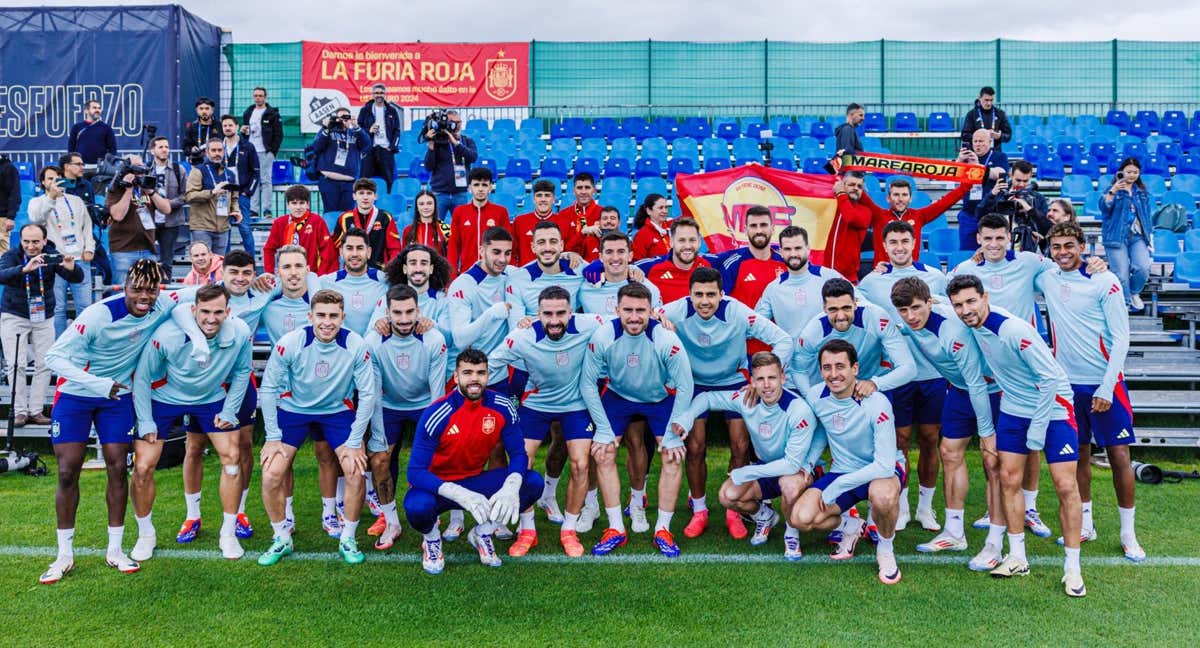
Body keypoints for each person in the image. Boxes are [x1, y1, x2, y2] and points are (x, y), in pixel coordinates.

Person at [946, 274, 1086, 597]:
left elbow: (1050, 379)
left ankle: (1073, 568)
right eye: (958, 305)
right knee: (1008, 480)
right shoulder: (971, 326)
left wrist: (1036, 434)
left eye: (971, 301)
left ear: (985, 298)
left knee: (1066, 485)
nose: (965, 310)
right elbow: (931, 302)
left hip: (1053, 408)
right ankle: (1017, 556)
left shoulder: (1012, 330)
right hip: (1013, 407)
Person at [41, 259, 177, 584]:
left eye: (150, 289)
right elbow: (53, 357)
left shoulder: (162, 305)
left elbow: (197, 296)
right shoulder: (99, 315)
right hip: (77, 392)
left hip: (117, 398)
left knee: (118, 467)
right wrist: (98, 384)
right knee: (67, 469)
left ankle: (115, 550)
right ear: (125, 287)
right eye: (137, 289)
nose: (144, 296)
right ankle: (64, 555)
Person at [1035, 222, 1144, 561]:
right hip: (1067, 385)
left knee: (1119, 456)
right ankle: (1085, 524)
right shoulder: (1047, 277)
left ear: (1083, 246)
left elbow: (1121, 337)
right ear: (1050, 250)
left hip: (1105, 382)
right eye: (1056, 247)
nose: (1063, 252)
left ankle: (1129, 534)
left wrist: (1107, 387)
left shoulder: (1104, 280)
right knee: (1078, 455)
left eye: (1070, 245)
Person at [659, 267, 793, 541]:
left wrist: (762, 379)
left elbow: (783, 340)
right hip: (694, 383)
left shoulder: (738, 312)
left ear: (722, 294)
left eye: (711, 294)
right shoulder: (673, 311)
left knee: (740, 445)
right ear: (689, 295)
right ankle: (699, 510)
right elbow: (646, 317)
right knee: (694, 447)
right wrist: (661, 326)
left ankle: (733, 510)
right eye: (699, 295)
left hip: (733, 380)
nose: (705, 301)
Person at [887, 277, 1005, 570]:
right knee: (950, 453)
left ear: (928, 303)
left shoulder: (952, 331)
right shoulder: (911, 318)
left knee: (994, 463)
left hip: (992, 391)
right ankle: (954, 532)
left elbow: (977, 383)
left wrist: (986, 432)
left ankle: (997, 542)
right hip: (960, 390)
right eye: (904, 310)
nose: (911, 316)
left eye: (916, 308)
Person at [130, 284, 253, 561]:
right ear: (193, 310)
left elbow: (243, 370)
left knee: (232, 459)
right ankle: (145, 535)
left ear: (228, 311)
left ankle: (228, 533)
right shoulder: (167, 335)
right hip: (165, 396)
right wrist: (146, 419)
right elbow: (142, 377)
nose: (211, 318)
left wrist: (231, 410)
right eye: (205, 311)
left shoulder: (241, 332)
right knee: (142, 467)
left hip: (210, 397)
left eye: (218, 312)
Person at [257, 289, 377, 566]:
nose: (327, 322)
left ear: (343, 317)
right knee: (270, 474)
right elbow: (268, 388)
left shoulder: (355, 344)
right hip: (294, 410)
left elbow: (368, 394)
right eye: (321, 315)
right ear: (310, 316)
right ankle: (281, 538)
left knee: (355, 470)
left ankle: (348, 537)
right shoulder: (291, 342)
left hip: (337, 411)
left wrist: (356, 438)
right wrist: (273, 437)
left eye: (334, 316)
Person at [488, 287, 607, 558]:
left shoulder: (590, 324)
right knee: (522, 462)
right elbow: (492, 363)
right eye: (548, 314)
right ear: (537, 314)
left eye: (561, 313)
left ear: (572, 312)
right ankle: (527, 529)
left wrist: (661, 318)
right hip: (535, 404)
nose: (554, 320)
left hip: (575, 405)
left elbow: (624, 321)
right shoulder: (522, 336)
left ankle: (569, 528)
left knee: (580, 463)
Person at [403, 348, 544, 574]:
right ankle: (431, 540)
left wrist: (511, 486)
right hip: (439, 486)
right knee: (417, 507)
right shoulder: (437, 412)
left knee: (532, 482)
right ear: (456, 377)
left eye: (480, 373)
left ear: (488, 376)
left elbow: (518, 453)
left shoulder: (502, 406)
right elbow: (416, 472)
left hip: (475, 482)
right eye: (467, 373)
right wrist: (458, 493)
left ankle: (483, 532)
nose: (474, 379)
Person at [581, 282, 694, 558]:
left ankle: (663, 530)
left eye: (641, 310)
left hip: (659, 398)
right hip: (619, 396)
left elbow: (685, 385)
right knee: (603, 452)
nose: (634, 317)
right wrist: (604, 430)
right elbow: (587, 383)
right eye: (628, 310)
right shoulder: (604, 335)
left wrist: (671, 434)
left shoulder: (666, 339)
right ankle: (616, 528)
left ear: (652, 311)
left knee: (672, 454)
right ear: (617, 310)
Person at [672, 352, 817, 559]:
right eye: (760, 379)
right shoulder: (746, 399)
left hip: (796, 471)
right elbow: (707, 398)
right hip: (766, 467)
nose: (766, 385)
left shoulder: (798, 409)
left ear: (783, 378)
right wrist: (687, 418)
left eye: (772, 378)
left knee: (789, 484)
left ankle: (791, 533)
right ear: (752, 381)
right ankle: (765, 516)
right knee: (727, 495)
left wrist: (747, 471)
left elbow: (791, 465)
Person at [169, 249, 267, 543]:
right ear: (221, 272)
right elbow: (169, 305)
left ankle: (239, 510)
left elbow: (308, 280)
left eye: (247, 272)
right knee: (194, 447)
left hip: (241, 379)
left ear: (253, 274)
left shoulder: (263, 295)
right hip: (204, 383)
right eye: (234, 272)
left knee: (244, 447)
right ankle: (192, 515)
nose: (240, 278)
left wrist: (268, 279)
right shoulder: (200, 295)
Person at [858, 220, 950, 532]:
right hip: (894, 375)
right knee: (898, 441)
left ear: (914, 243)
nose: (899, 247)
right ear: (884, 246)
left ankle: (926, 507)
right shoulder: (872, 281)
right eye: (893, 242)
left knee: (929, 439)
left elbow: (952, 306)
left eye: (904, 241)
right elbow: (853, 303)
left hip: (932, 374)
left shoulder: (934, 277)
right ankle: (903, 504)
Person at [789, 339, 905, 585]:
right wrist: (808, 465)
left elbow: (884, 465)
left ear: (855, 369)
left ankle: (885, 550)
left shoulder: (877, 402)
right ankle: (851, 523)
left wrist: (838, 486)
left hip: (881, 472)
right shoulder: (816, 395)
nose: (833, 374)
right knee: (801, 517)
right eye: (827, 367)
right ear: (820, 370)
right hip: (842, 470)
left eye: (840, 366)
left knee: (882, 495)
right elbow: (821, 429)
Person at [364, 284, 448, 550]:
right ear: (387, 312)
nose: (403, 319)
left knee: (434, 458)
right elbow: (374, 394)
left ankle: (432, 518)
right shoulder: (374, 341)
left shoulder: (434, 339)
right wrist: (377, 436)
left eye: (409, 312)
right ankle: (391, 521)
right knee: (379, 459)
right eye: (397, 312)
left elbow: (437, 395)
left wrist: (434, 436)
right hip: (389, 405)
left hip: (424, 404)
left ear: (418, 310)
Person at [0, 223, 84, 426]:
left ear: (44, 241)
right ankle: (19, 411)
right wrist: (24, 269)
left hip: (43, 315)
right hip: (15, 315)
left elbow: (77, 277)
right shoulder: (11, 256)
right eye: (26, 241)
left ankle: (36, 410)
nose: (30, 246)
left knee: (45, 363)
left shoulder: (51, 255)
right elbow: (2, 275)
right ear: (21, 241)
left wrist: (72, 269)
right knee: (15, 364)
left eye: (36, 242)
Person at [790, 278, 915, 395]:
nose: (841, 316)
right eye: (833, 309)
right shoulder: (812, 333)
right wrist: (811, 398)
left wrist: (876, 383)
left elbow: (909, 368)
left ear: (855, 304)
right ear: (824, 308)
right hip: (833, 390)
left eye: (846, 308)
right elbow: (798, 371)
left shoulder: (876, 318)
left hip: (873, 384)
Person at [28, 165, 95, 336]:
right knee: (58, 308)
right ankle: (58, 346)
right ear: (43, 182)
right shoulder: (37, 202)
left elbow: (87, 226)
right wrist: (51, 196)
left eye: (58, 177)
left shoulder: (75, 201)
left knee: (85, 307)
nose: (54, 181)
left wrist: (89, 248)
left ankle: (82, 344)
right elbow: (36, 219)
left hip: (78, 260)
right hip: (54, 262)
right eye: (50, 178)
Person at [754, 225, 844, 340]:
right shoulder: (773, 289)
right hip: (793, 357)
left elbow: (858, 304)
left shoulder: (830, 276)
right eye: (787, 249)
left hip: (830, 355)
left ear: (808, 249)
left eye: (798, 248)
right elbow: (755, 326)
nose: (793, 254)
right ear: (781, 252)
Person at [861, 177, 970, 266]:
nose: (900, 199)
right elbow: (860, 194)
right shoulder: (878, 215)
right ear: (888, 198)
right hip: (883, 273)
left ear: (910, 198)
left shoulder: (919, 216)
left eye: (904, 195)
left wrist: (967, 184)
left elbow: (945, 203)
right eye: (896, 195)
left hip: (910, 274)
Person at [504, 221, 584, 331]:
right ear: (533, 247)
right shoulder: (517, 279)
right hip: (534, 341)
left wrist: (598, 267)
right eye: (541, 242)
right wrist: (522, 323)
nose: (547, 248)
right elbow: (516, 327)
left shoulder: (578, 268)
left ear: (561, 245)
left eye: (553, 242)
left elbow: (609, 267)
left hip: (571, 340)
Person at [107, 154, 173, 283]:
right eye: (137, 167)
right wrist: (128, 190)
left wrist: (151, 192)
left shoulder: (147, 185)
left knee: (149, 289)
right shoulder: (116, 188)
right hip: (123, 250)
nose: (141, 170)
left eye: (142, 166)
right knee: (122, 292)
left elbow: (167, 209)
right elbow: (118, 215)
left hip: (148, 248)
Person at [1100, 157, 1153, 312]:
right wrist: (1114, 190)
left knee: (1142, 268)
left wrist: (1149, 235)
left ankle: (1134, 293)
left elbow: (1147, 215)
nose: (1132, 175)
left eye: (1135, 172)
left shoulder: (1142, 193)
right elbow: (1104, 208)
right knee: (1121, 274)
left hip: (1137, 236)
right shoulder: (1113, 189)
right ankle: (1125, 303)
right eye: (1129, 171)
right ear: (1121, 172)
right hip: (1116, 236)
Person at [319, 227, 389, 336]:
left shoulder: (386, 281)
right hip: (341, 350)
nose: (355, 254)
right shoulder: (325, 283)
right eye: (349, 248)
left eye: (360, 248)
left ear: (369, 252)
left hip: (374, 349)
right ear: (341, 252)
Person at [580, 231, 663, 317]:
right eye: (609, 252)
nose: (615, 258)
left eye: (621, 251)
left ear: (630, 256)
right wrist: (569, 254)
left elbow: (657, 322)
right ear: (600, 257)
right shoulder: (585, 288)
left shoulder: (649, 289)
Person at [975, 160, 1051, 252]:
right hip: (1000, 241)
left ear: (1031, 177)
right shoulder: (999, 193)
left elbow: (1045, 226)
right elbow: (979, 215)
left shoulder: (1038, 198)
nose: (1021, 184)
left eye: (1025, 181)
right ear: (1011, 175)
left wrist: (1030, 211)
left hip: (1029, 244)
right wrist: (992, 195)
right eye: (1018, 180)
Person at [184, 138, 242, 259]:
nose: (217, 153)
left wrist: (236, 210)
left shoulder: (230, 174)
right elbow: (189, 196)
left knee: (219, 264)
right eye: (213, 150)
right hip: (202, 226)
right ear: (207, 152)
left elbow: (235, 198)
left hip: (223, 227)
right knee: (203, 263)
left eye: (220, 150)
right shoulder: (198, 170)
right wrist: (211, 192)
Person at [446, 167, 511, 276]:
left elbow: (508, 246)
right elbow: (453, 246)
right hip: (467, 273)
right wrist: (451, 276)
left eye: (484, 185)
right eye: (476, 185)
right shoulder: (459, 212)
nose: (480, 189)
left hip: (494, 275)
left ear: (490, 187)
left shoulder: (501, 212)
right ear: (470, 188)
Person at [636, 218, 717, 303]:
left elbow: (727, 257)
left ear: (699, 242)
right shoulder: (655, 271)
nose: (687, 246)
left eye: (692, 240)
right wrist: (633, 269)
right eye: (681, 240)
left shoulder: (707, 267)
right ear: (671, 242)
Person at [58, 152, 110, 284]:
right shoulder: (56, 184)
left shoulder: (86, 185)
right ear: (67, 166)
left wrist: (101, 218)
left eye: (83, 164)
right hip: (63, 236)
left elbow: (91, 211)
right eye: (78, 164)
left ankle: (102, 300)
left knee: (106, 269)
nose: (82, 167)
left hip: (86, 234)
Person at [262, 185, 338, 275]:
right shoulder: (280, 223)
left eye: (302, 203)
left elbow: (327, 252)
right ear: (288, 205)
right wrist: (269, 273)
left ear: (308, 204)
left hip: (311, 274)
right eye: (294, 203)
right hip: (287, 275)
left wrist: (321, 276)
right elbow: (268, 249)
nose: (298, 207)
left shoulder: (317, 221)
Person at [332, 178, 402, 269]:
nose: (365, 197)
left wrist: (390, 270)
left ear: (375, 196)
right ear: (354, 196)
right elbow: (334, 248)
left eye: (369, 193)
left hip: (378, 271)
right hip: (352, 271)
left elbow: (394, 249)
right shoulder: (345, 218)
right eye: (361, 193)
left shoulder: (385, 217)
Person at [957, 129, 1009, 250]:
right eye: (975, 141)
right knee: (967, 252)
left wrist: (977, 166)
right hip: (969, 212)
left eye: (981, 141)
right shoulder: (965, 159)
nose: (978, 144)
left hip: (990, 213)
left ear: (990, 142)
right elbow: (953, 179)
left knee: (992, 250)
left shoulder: (999, 156)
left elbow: (999, 173)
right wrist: (959, 162)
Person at [312, 107, 371, 213]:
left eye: (346, 117)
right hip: (328, 181)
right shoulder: (328, 131)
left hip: (349, 182)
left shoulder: (355, 133)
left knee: (348, 215)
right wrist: (326, 127)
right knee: (331, 214)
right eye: (339, 118)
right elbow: (316, 147)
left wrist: (356, 126)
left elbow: (367, 144)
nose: (343, 120)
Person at [423, 109, 477, 224]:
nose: (456, 125)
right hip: (439, 193)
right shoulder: (438, 142)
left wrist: (456, 143)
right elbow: (428, 166)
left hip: (460, 193)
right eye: (453, 122)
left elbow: (472, 157)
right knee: (435, 229)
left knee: (463, 227)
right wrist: (431, 145)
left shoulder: (467, 141)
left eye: (459, 122)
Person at [144, 137, 189, 276]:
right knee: (147, 260)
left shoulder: (178, 169)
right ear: (152, 151)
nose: (165, 150)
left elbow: (186, 195)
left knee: (166, 261)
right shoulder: (146, 170)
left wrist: (169, 203)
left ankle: (165, 290)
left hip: (171, 221)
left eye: (167, 147)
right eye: (161, 147)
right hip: (149, 221)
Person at [221, 114, 261, 258]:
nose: (227, 128)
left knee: (244, 228)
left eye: (230, 125)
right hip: (223, 195)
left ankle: (250, 262)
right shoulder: (219, 146)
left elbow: (256, 172)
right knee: (225, 229)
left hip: (241, 194)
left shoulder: (247, 146)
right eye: (225, 125)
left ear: (237, 127)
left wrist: (247, 192)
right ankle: (226, 263)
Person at [242, 87, 284, 218]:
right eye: (255, 95)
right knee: (253, 179)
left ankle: (267, 210)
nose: (258, 98)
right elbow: (245, 131)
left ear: (265, 97)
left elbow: (279, 135)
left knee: (265, 180)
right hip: (251, 150)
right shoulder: (249, 111)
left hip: (265, 151)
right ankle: (254, 210)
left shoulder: (272, 113)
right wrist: (243, 134)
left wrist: (272, 151)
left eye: (260, 95)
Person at [356, 83, 403, 193]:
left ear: (385, 94)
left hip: (386, 150)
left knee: (388, 181)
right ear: (372, 94)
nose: (379, 95)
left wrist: (392, 147)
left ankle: (387, 205)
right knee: (364, 182)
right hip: (370, 150)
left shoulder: (392, 110)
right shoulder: (365, 110)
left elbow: (397, 130)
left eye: (381, 93)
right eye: (376, 93)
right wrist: (369, 131)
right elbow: (359, 130)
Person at [826, 172, 872, 282]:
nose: (856, 188)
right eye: (851, 185)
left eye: (859, 186)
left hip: (848, 278)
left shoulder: (865, 212)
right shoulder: (831, 205)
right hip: (823, 273)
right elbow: (825, 172)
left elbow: (850, 217)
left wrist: (841, 194)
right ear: (842, 185)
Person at [513, 179, 570, 266]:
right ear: (533, 199)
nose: (543, 199)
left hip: (554, 275)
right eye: (539, 195)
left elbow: (569, 252)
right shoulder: (520, 221)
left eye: (547, 195)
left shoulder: (564, 222)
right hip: (526, 275)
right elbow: (513, 251)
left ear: (554, 199)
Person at [556, 172, 600, 255]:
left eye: (587, 187)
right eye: (579, 188)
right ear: (574, 190)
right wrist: (582, 233)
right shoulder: (563, 215)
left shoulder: (603, 214)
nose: (583, 192)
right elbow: (561, 247)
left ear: (594, 190)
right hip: (571, 263)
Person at [67, 98, 117, 164]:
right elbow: (71, 148)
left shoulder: (106, 128)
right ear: (86, 111)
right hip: (81, 166)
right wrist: (74, 163)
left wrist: (107, 164)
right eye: (94, 108)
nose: (97, 110)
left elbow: (112, 149)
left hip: (100, 167)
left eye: (99, 108)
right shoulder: (77, 127)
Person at [401, 190, 448, 256]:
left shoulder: (445, 229)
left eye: (429, 203)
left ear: (435, 206)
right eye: (421, 204)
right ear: (417, 207)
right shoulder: (408, 230)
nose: (425, 207)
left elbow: (450, 259)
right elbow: (403, 257)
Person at [630, 193, 671, 260]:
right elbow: (637, 263)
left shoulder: (671, 227)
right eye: (660, 208)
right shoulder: (642, 235)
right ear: (649, 211)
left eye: (666, 207)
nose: (665, 211)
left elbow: (688, 215)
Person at [181, 97, 218, 165]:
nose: (204, 111)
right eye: (201, 109)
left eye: (207, 108)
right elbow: (185, 147)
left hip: (217, 164)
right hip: (197, 164)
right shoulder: (192, 127)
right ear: (197, 110)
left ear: (212, 110)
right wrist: (191, 149)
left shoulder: (219, 126)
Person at [0, 155, 19, 255]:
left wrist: (10, 217)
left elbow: (14, 193)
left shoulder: (8, 168)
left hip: (1, 218)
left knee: (2, 254)